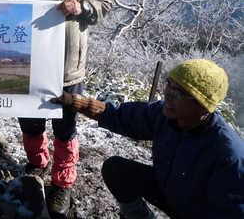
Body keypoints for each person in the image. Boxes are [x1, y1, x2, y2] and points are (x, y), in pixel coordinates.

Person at [0, 0, 112, 215]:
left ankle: (62, 183)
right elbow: (1, 8)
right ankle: (37, 165)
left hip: (67, 69)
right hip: (24, 65)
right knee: (31, 122)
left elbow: (105, 3)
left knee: (65, 128)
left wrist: (83, 8)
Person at [51, 59, 244, 218]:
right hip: (168, 188)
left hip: (196, 212)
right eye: (168, 86)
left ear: (203, 106)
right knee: (116, 169)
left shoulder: (228, 155)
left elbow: (231, 213)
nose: (167, 95)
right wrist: (77, 102)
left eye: (177, 93)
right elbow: (122, 116)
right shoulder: (165, 114)